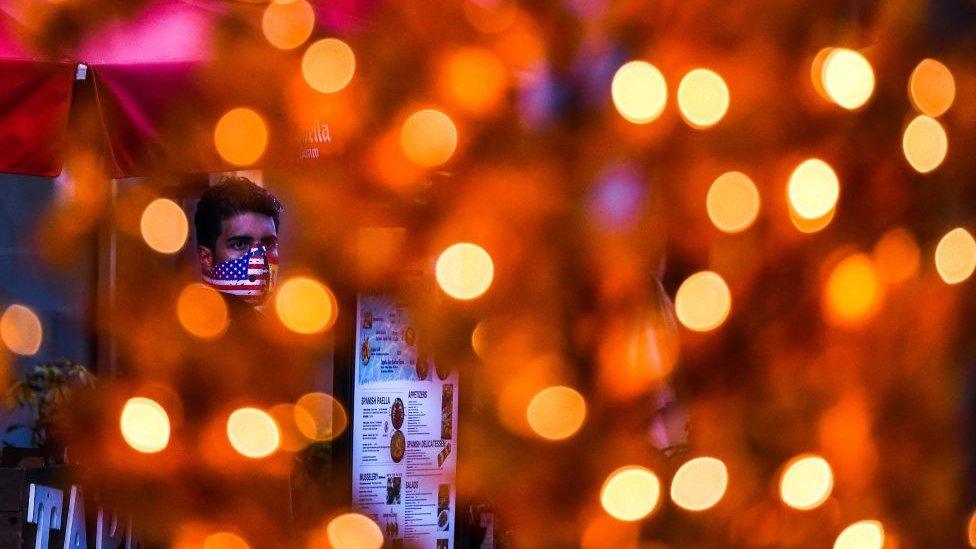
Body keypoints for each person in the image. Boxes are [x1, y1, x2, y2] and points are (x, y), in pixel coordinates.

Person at [193, 175, 282, 323]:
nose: (259, 260)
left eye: (267, 244)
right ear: (206, 258)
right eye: (240, 244)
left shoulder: (267, 333)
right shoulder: (178, 338)